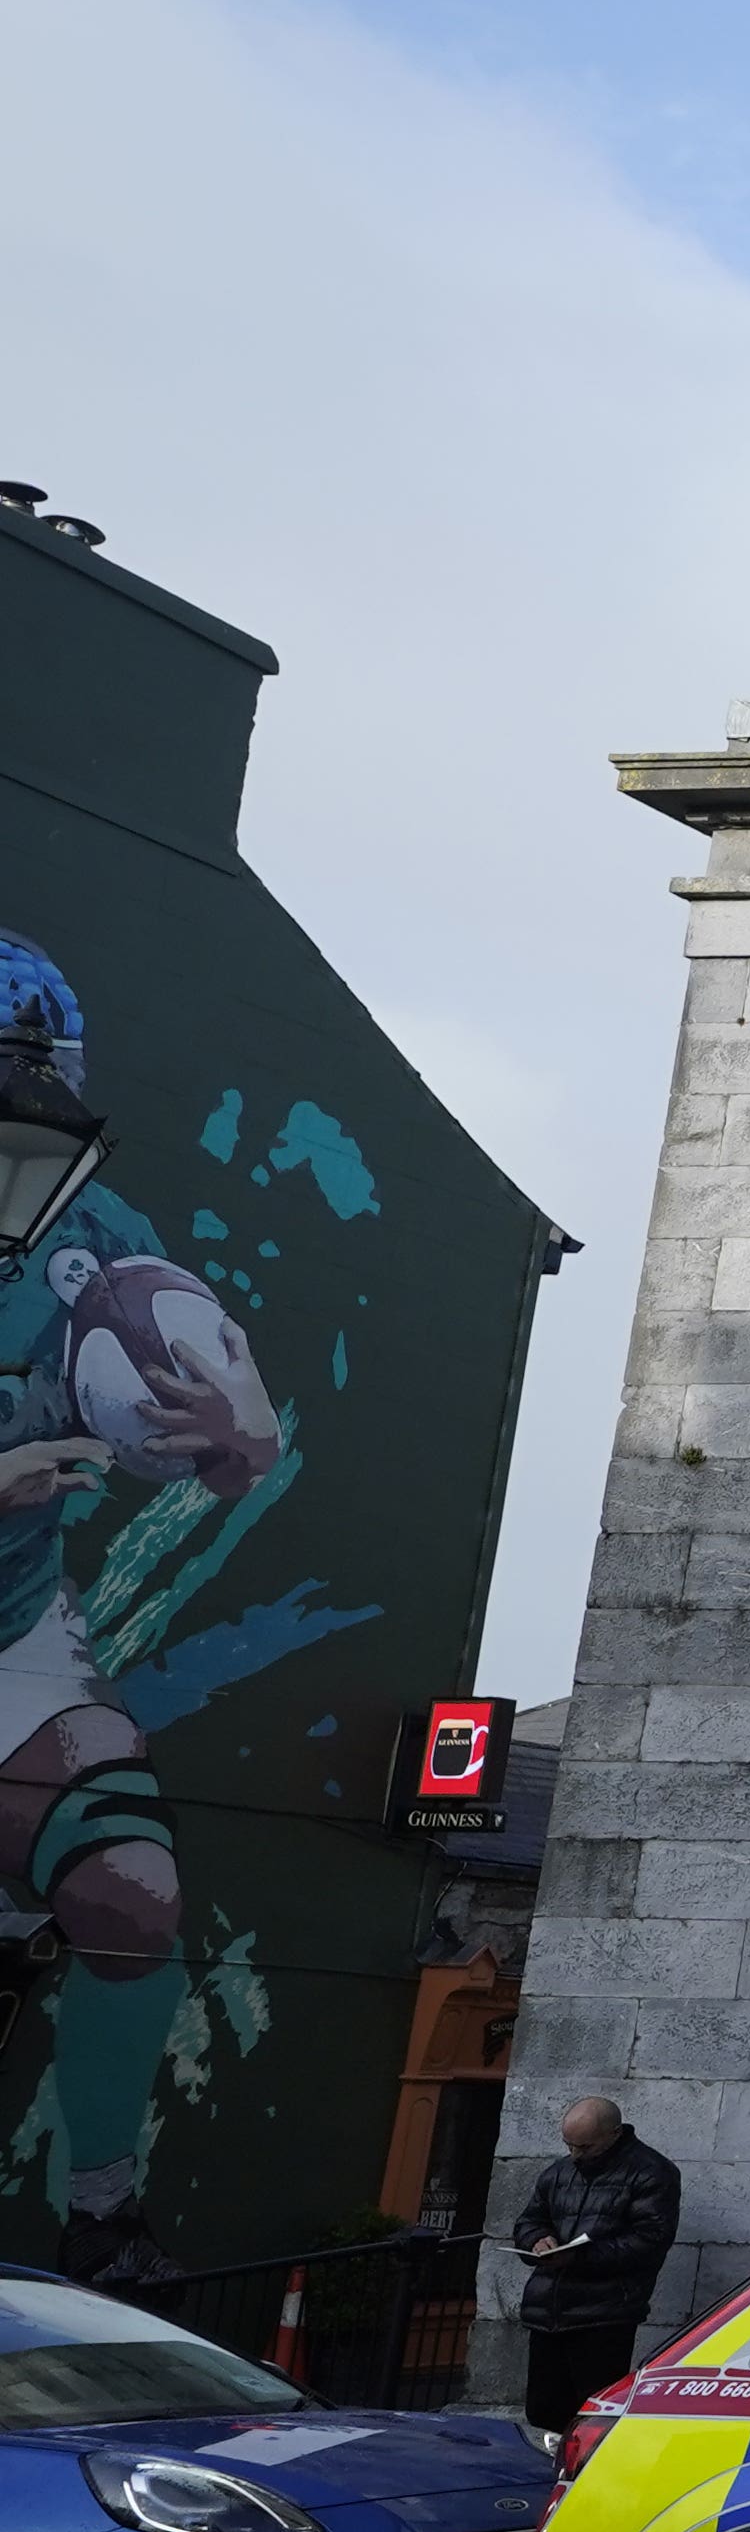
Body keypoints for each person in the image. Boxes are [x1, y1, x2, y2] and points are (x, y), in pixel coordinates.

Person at [0, 935, 285, 2287]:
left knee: (130, 1885)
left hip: (11, 1637)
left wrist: (237, 1432)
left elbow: (228, 1414)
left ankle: (101, 2213)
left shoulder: (91, 1237)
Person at [504, 2096, 682, 2437]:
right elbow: (529, 2220)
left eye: (585, 2146)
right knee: (543, 2411)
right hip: (549, 2311)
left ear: (614, 2134)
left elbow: (649, 2240)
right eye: (569, 2145)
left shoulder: (651, 2172)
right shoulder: (558, 2173)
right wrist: (537, 2240)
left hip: (605, 2313)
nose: (575, 2154)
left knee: (592, 2414)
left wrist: (581, 2256)